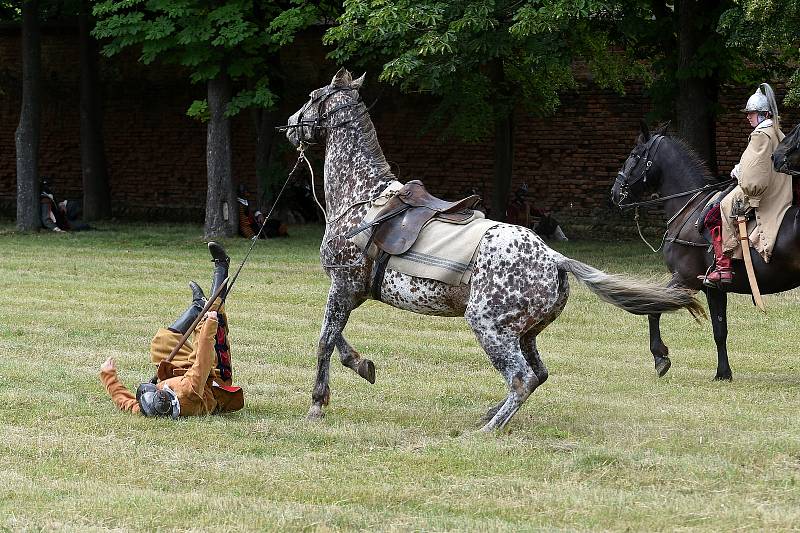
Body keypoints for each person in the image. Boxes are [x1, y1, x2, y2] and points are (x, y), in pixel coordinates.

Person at [99, 242, 244, 418]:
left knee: (163, 341)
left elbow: (126, 404)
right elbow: (203, 361)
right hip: (211, 379)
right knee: (210, 317)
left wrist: (108, 375)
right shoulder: (187, 393)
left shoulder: (153, 409)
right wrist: (210, 324)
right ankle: (221, 266)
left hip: (184, 371)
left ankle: (197, 307)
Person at [699, 83, 792, 287]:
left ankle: (723, 268)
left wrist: (740, 172)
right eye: (749, 113)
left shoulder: (761, 134)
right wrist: (741, 167)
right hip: (779, 190)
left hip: (762, 192)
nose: (748, 116)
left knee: (718, 211)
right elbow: (762, 162)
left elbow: (753, 177)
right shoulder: (777, 133)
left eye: (752, 113)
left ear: (764, 114)